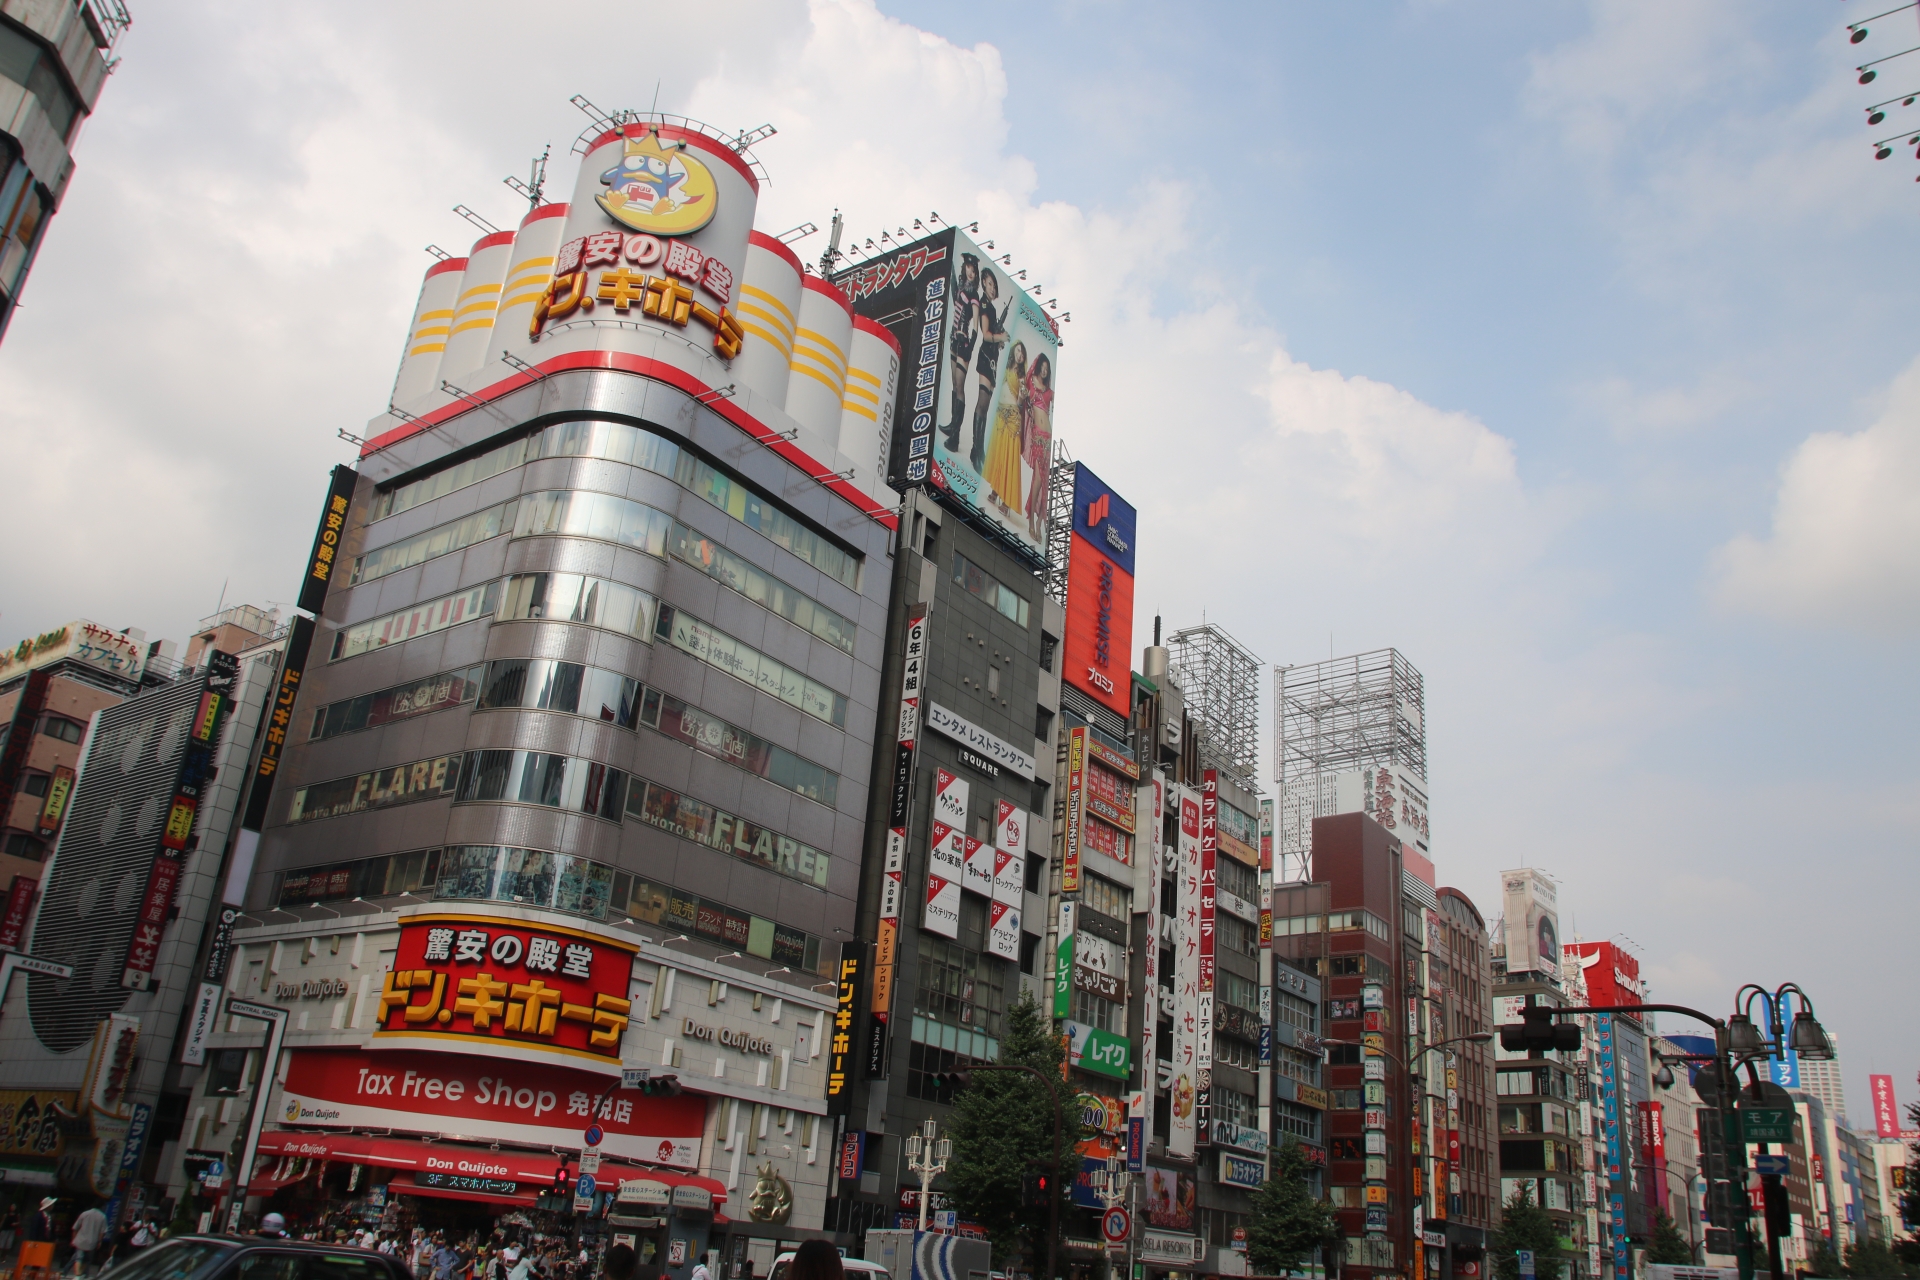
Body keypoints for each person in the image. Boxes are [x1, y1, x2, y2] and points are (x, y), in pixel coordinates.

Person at [940, 254, 983, 456]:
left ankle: (955, 437)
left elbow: (976, 324)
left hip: (964, 341)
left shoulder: (974, 295)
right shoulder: (960, 287)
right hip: (953, 339)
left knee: (959, 386)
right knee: (954, 384)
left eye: (974, 270)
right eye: (969, 268)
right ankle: (952, 426)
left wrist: (971, 345)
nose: (971, 272)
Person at [967, 271, 1010, 473]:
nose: (993, 288)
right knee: (982, 403)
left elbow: (992, 336)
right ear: (983, 283)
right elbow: (985, 335)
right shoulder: (984, 305)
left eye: (994, 285)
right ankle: (976, 450)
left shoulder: (991, 307)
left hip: (993, 359)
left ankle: (979, 449)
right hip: (985, 358)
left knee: (986, 405)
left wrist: (1000, 341)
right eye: (990, 284)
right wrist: (1000, 336)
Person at [981, 340, 1029, 513]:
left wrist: (1022, 398)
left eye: (1022, 353)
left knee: (1010, 458)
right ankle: (995, 491)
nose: (1020, 355)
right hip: (1000, 415)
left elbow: (1019, 402)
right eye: (1017, 351)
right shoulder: (1005, 370)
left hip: (1012, 419)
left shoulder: (1022, 378)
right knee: (1000, 454)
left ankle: (1007, 502)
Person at [1021, 352, 1054, 540]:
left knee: (1044, 481)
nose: (1044, 370)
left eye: (1047, 369)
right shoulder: (1031, 382)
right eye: (1043, 366)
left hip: (1048, 437)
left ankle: (1039, 523)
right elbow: (1023, 387)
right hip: (1037, 436)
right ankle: (1032, 523)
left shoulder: (1049, 392)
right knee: (1038, 479)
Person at [68, 1204, 106, 1277]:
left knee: (78, 1258)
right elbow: (102, 1232)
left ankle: (77, 1274)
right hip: (92, 1241)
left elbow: (75, 1228)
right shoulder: (102, 1217)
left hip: (80, 1240)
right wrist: (99, 1241)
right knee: (87, 1259)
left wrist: (73, 1239)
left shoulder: (84, 1214)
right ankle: (81, 1274)